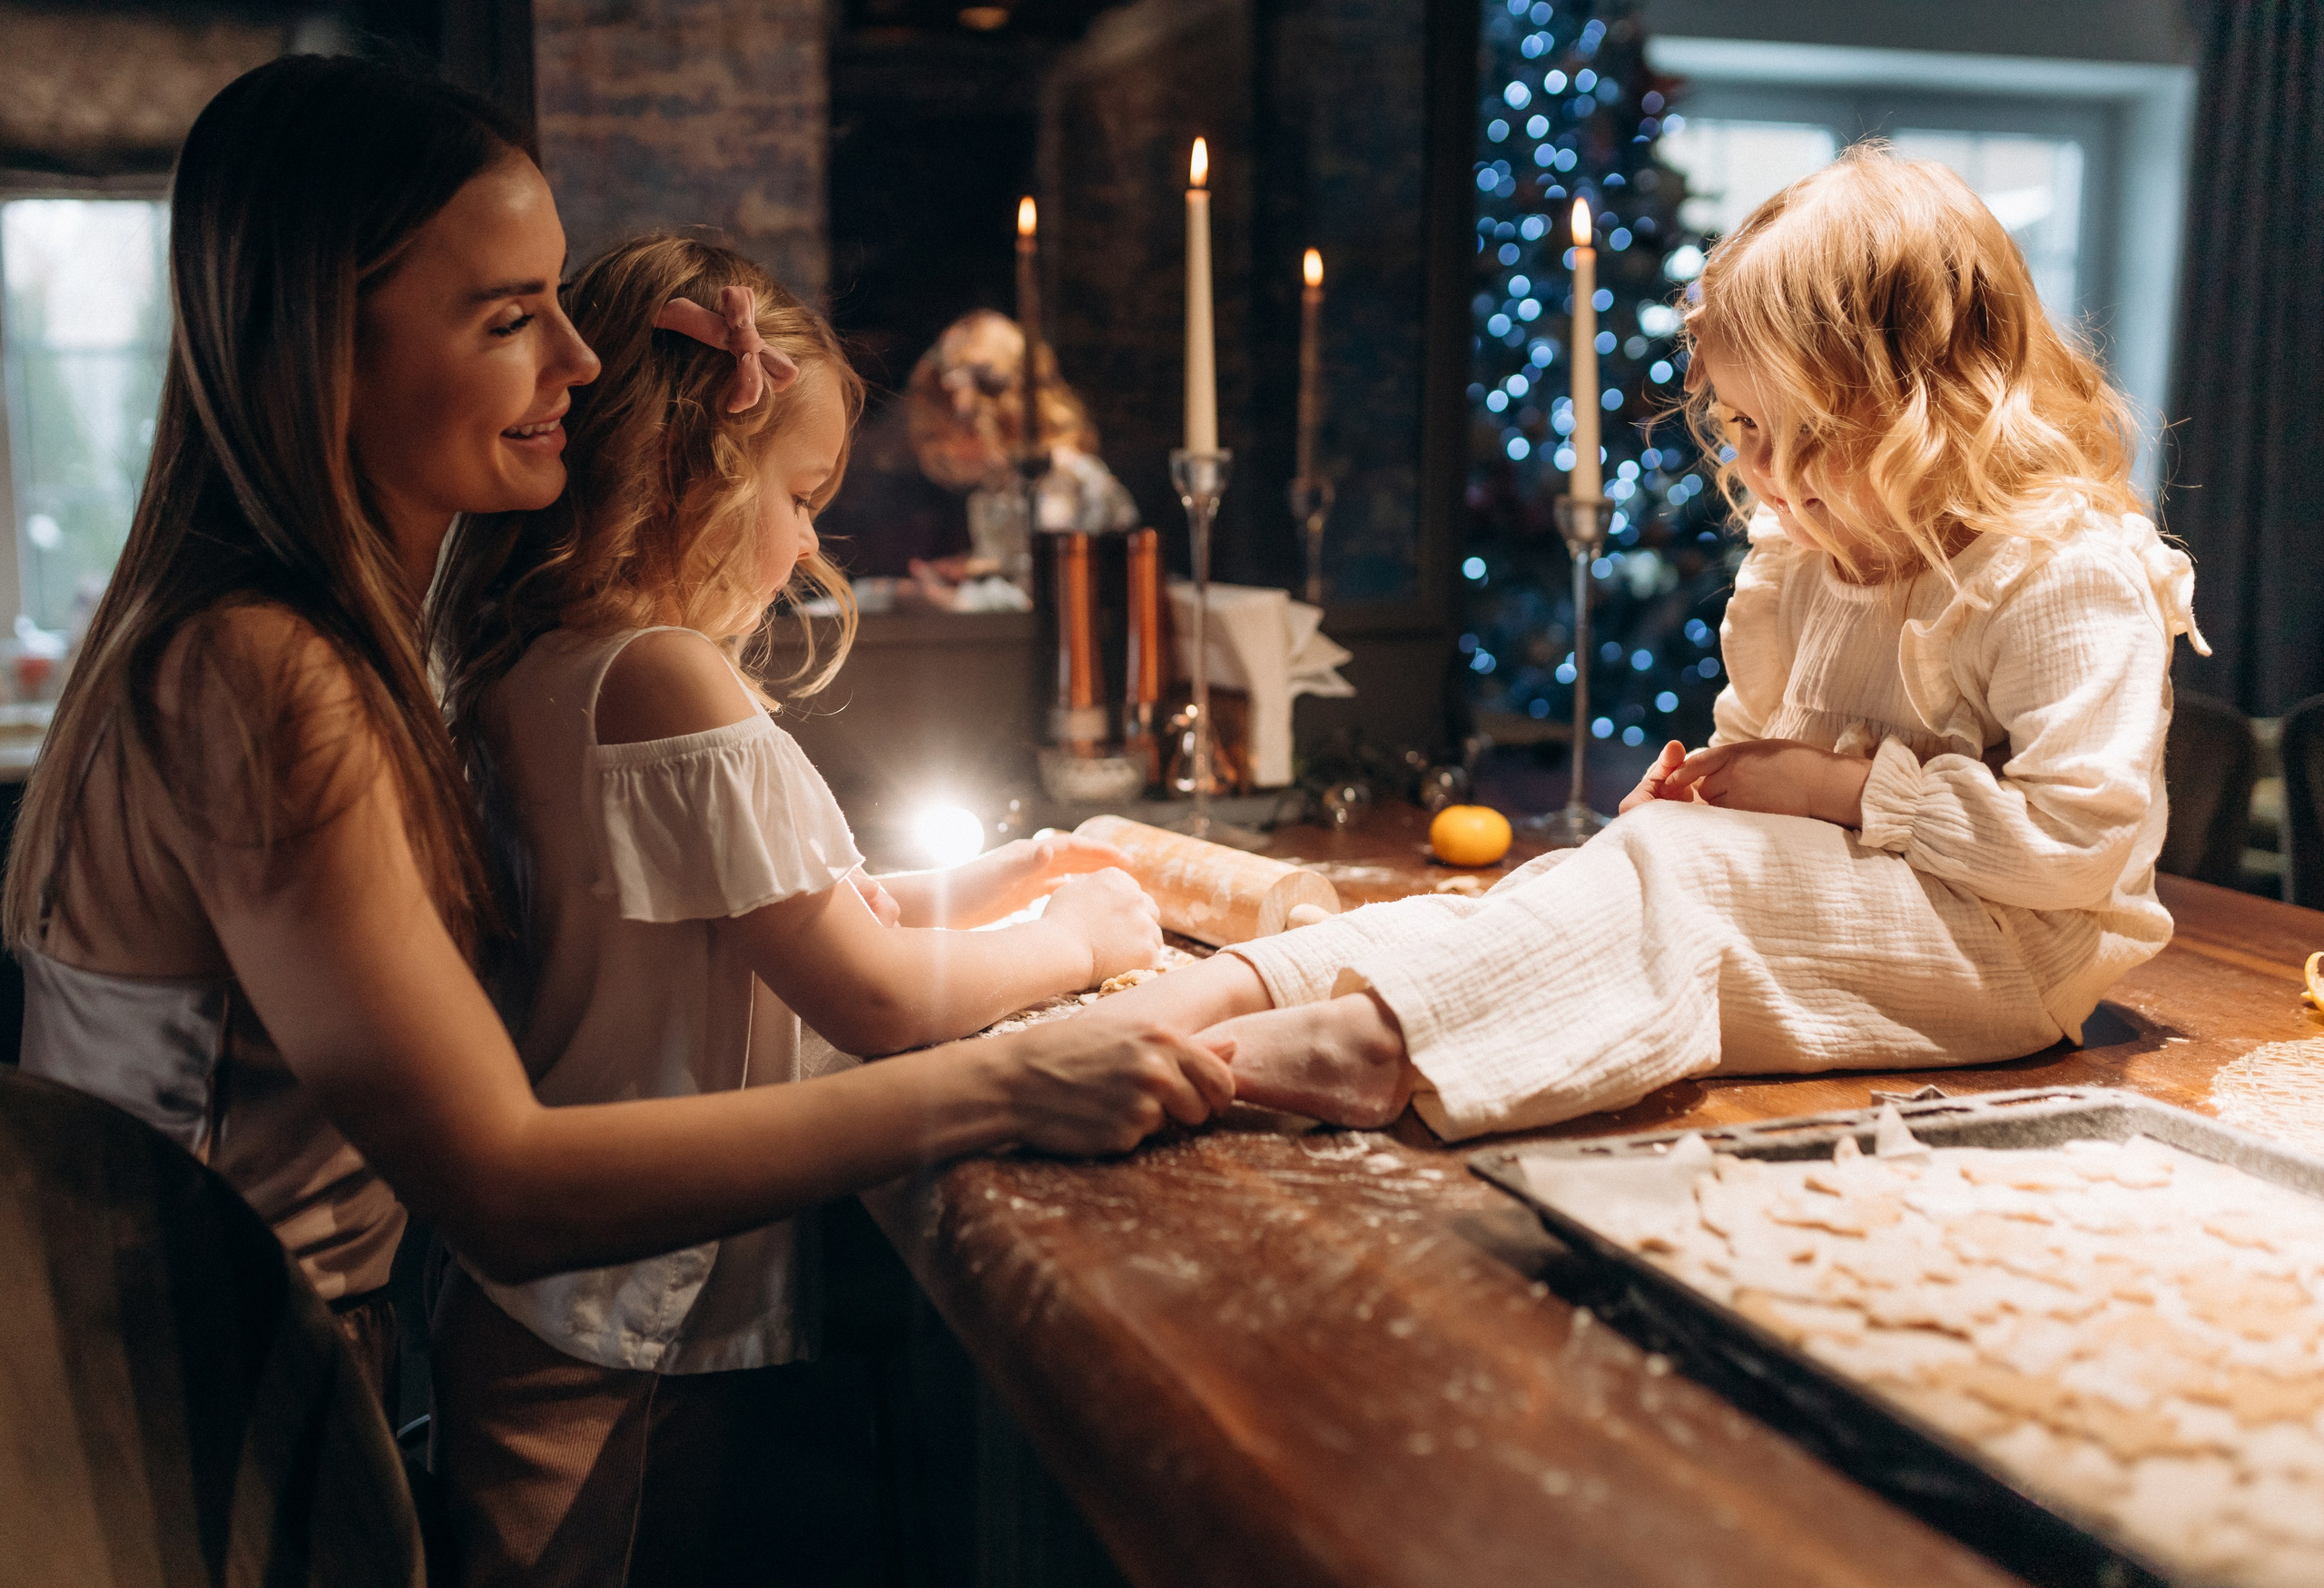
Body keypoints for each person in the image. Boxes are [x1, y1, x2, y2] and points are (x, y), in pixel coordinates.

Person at [4, 51, 1227, 1455]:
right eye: (509, 317)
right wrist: (1007, 1081)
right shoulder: (261, 676)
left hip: (251, 1393)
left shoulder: (337, 650)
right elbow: (508, 1184)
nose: (578, 361)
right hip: (177, 1439)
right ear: (323, 348)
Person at [1094, 144, 2206, 1139]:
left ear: (1930, 405)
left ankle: (1380, 1044)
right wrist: (1715, 792)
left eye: (1801, 431)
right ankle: (1243, 985)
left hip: (2010, 952)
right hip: (1855, 901)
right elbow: (1762, 783)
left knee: (1678, 878)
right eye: (1743, 426)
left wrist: (1831, 790)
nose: (1759, 471)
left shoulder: (2059, 571)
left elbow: (2075, 846)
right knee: (1576, 887)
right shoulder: (1809, 560)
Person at [424, 233, 1181, 1581]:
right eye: (799, 496)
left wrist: (1007, 876)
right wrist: (1076, 942)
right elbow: (868, 993)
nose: (810, 541)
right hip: (617, 1332)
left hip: (558, 1309)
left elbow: (785, 911)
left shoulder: (547, 661)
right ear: (698, 472)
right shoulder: (663, 677)